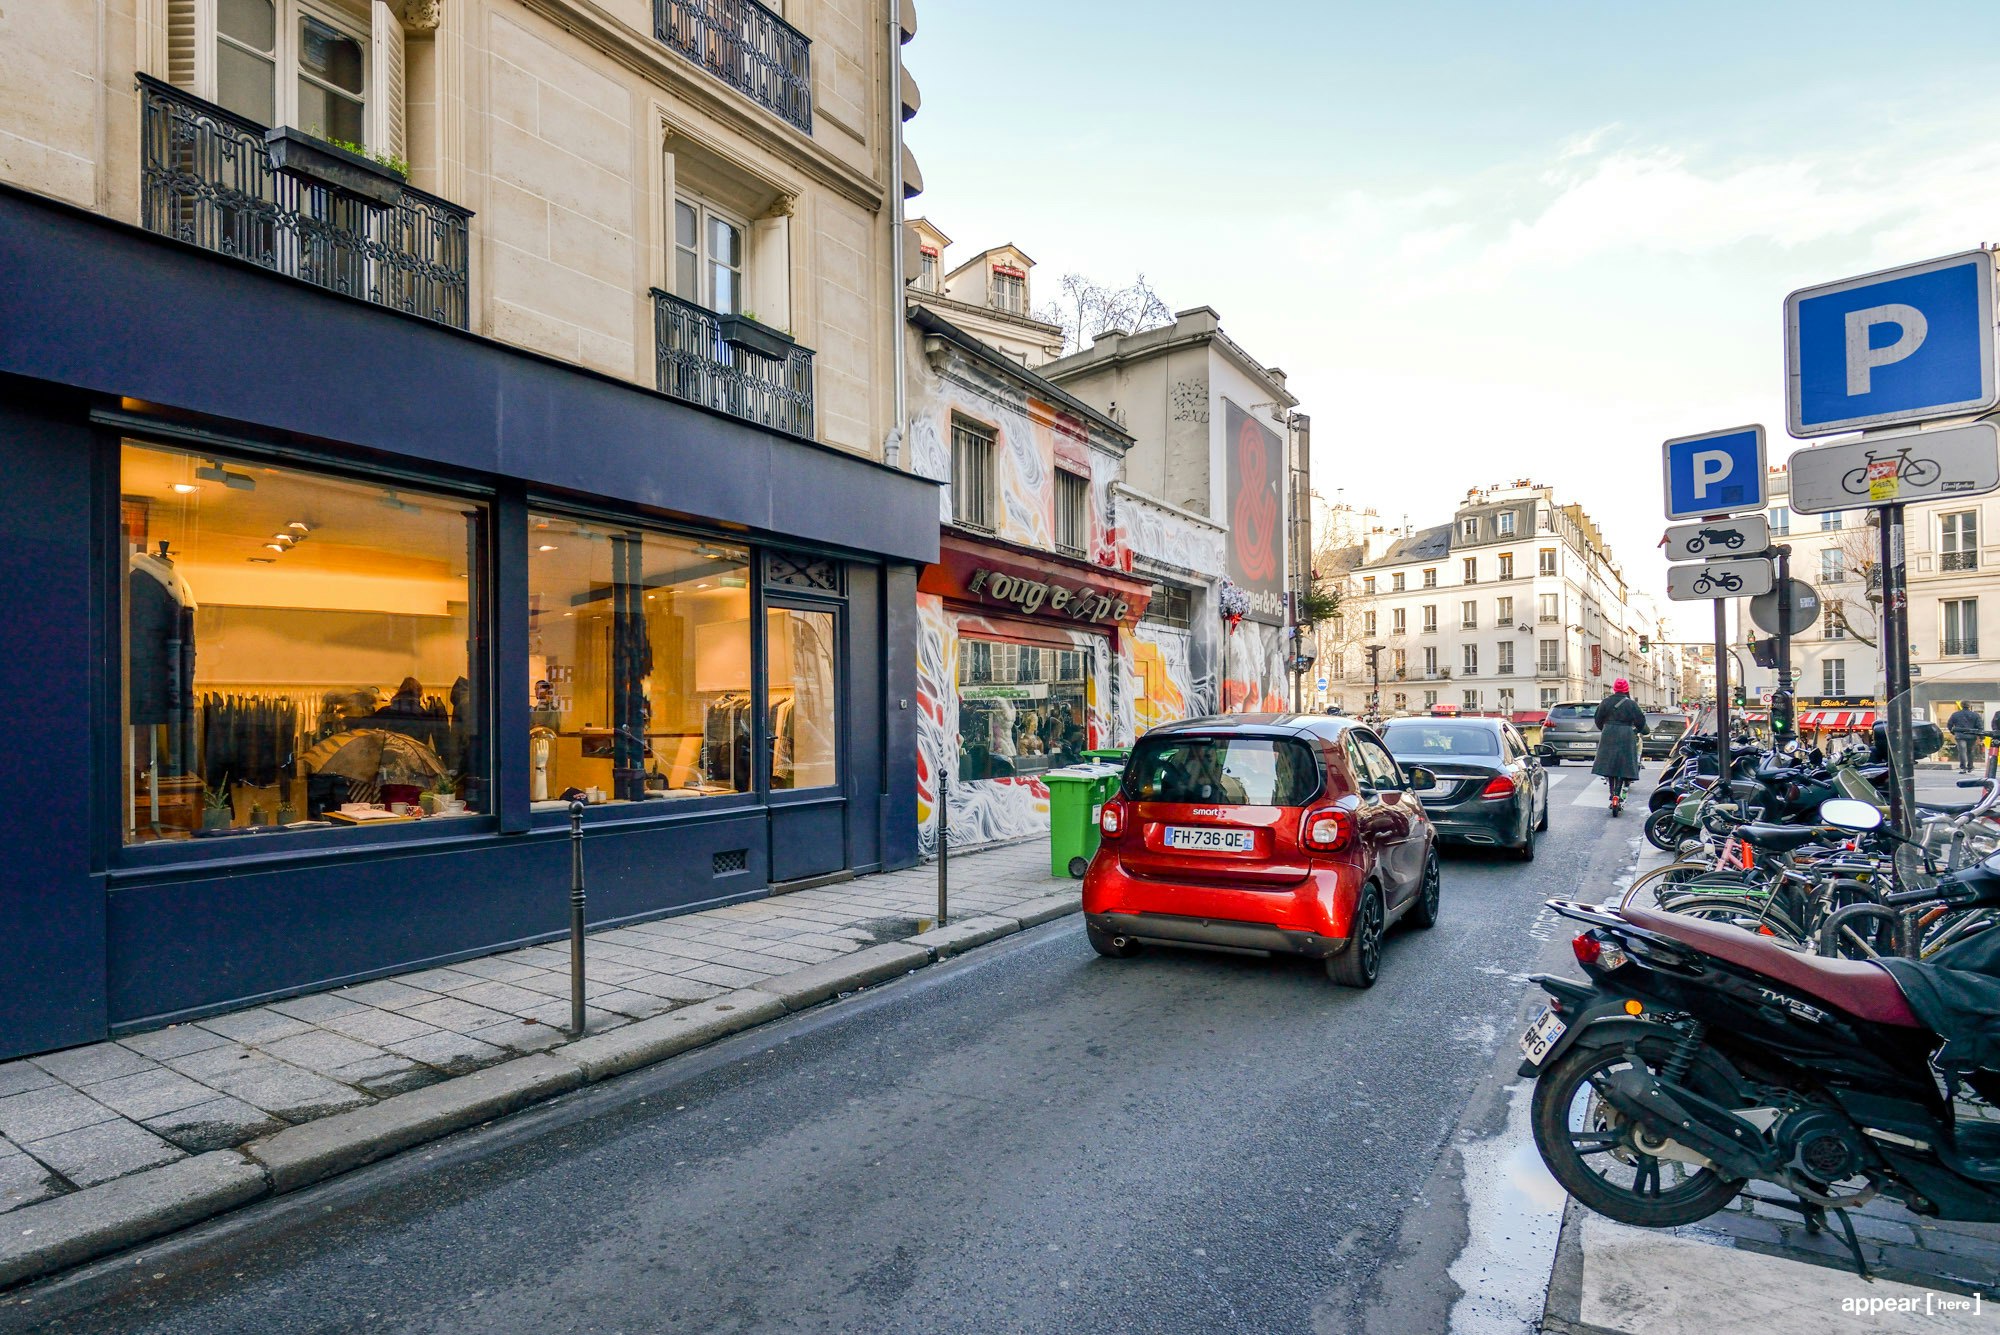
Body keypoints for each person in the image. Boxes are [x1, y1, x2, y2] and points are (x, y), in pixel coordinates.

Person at [1592, 679, 1649, 815]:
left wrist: (1606, 729)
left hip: (1609, 733)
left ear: (1614, 689)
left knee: (1609, 764)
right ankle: (1618, 792)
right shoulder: (1631, 704)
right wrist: (1637, 730)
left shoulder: (1605, 702)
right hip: (1626, 734)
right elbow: (1641, 721)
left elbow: (1598, 719)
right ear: (1626, 689)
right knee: (1624, 764)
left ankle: (1613, 794)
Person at [1947, 701, 1986, 773]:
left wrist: (1953, 732)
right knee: (1970, 751)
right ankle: (1970, 767)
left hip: (1960, 735)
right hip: (1971, 735)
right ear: (1969, 706)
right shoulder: (1975, 715)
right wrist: (1981, 736)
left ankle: (1963, 768)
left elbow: (1949, 724)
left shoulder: (1955, 714)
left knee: (1962, 751)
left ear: (1961, 705)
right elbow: (1980, 726)